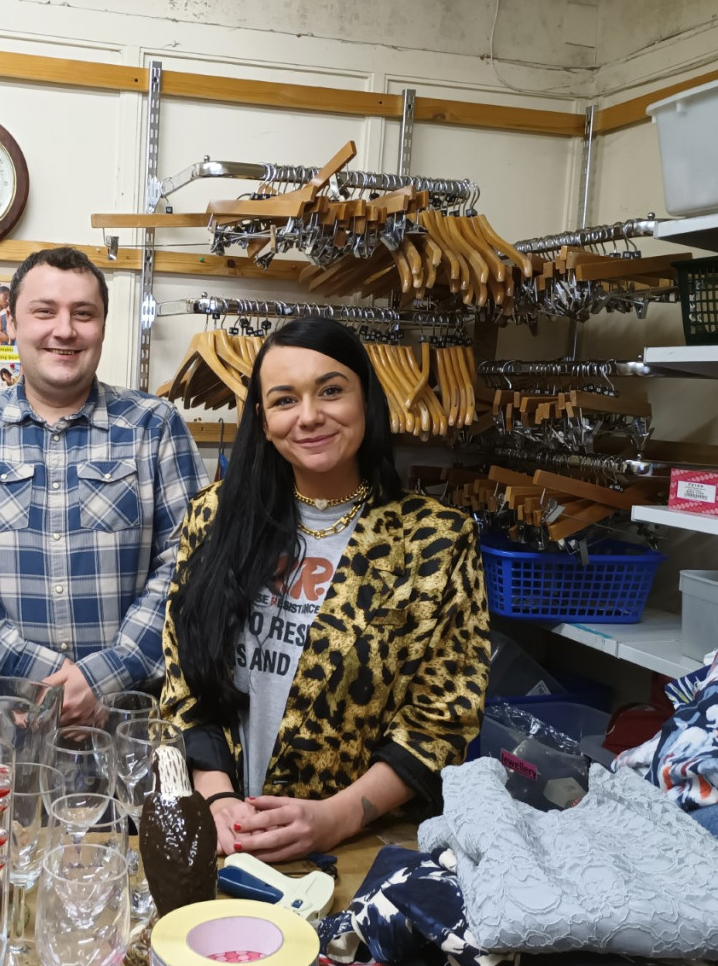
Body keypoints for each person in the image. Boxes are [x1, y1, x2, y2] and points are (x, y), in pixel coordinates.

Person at [160, 316, 490, 863]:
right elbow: (184, 678)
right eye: (285, 400)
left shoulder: (435, 539)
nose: (309, 416)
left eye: (331, 391)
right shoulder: (215, 518)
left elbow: (442, 718)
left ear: (366, 400)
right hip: (219, 834)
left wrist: (335, 818)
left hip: (356, 846)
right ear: (263, 420)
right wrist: (216, 798)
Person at [0, 246, 207, 726]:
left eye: (83, 314)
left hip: (124, 726)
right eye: (44, 311)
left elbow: (190, 564)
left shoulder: (155, 427)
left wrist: (104, 677)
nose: (64, 330)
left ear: (103, 326)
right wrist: (35, 675)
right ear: (14, 322)